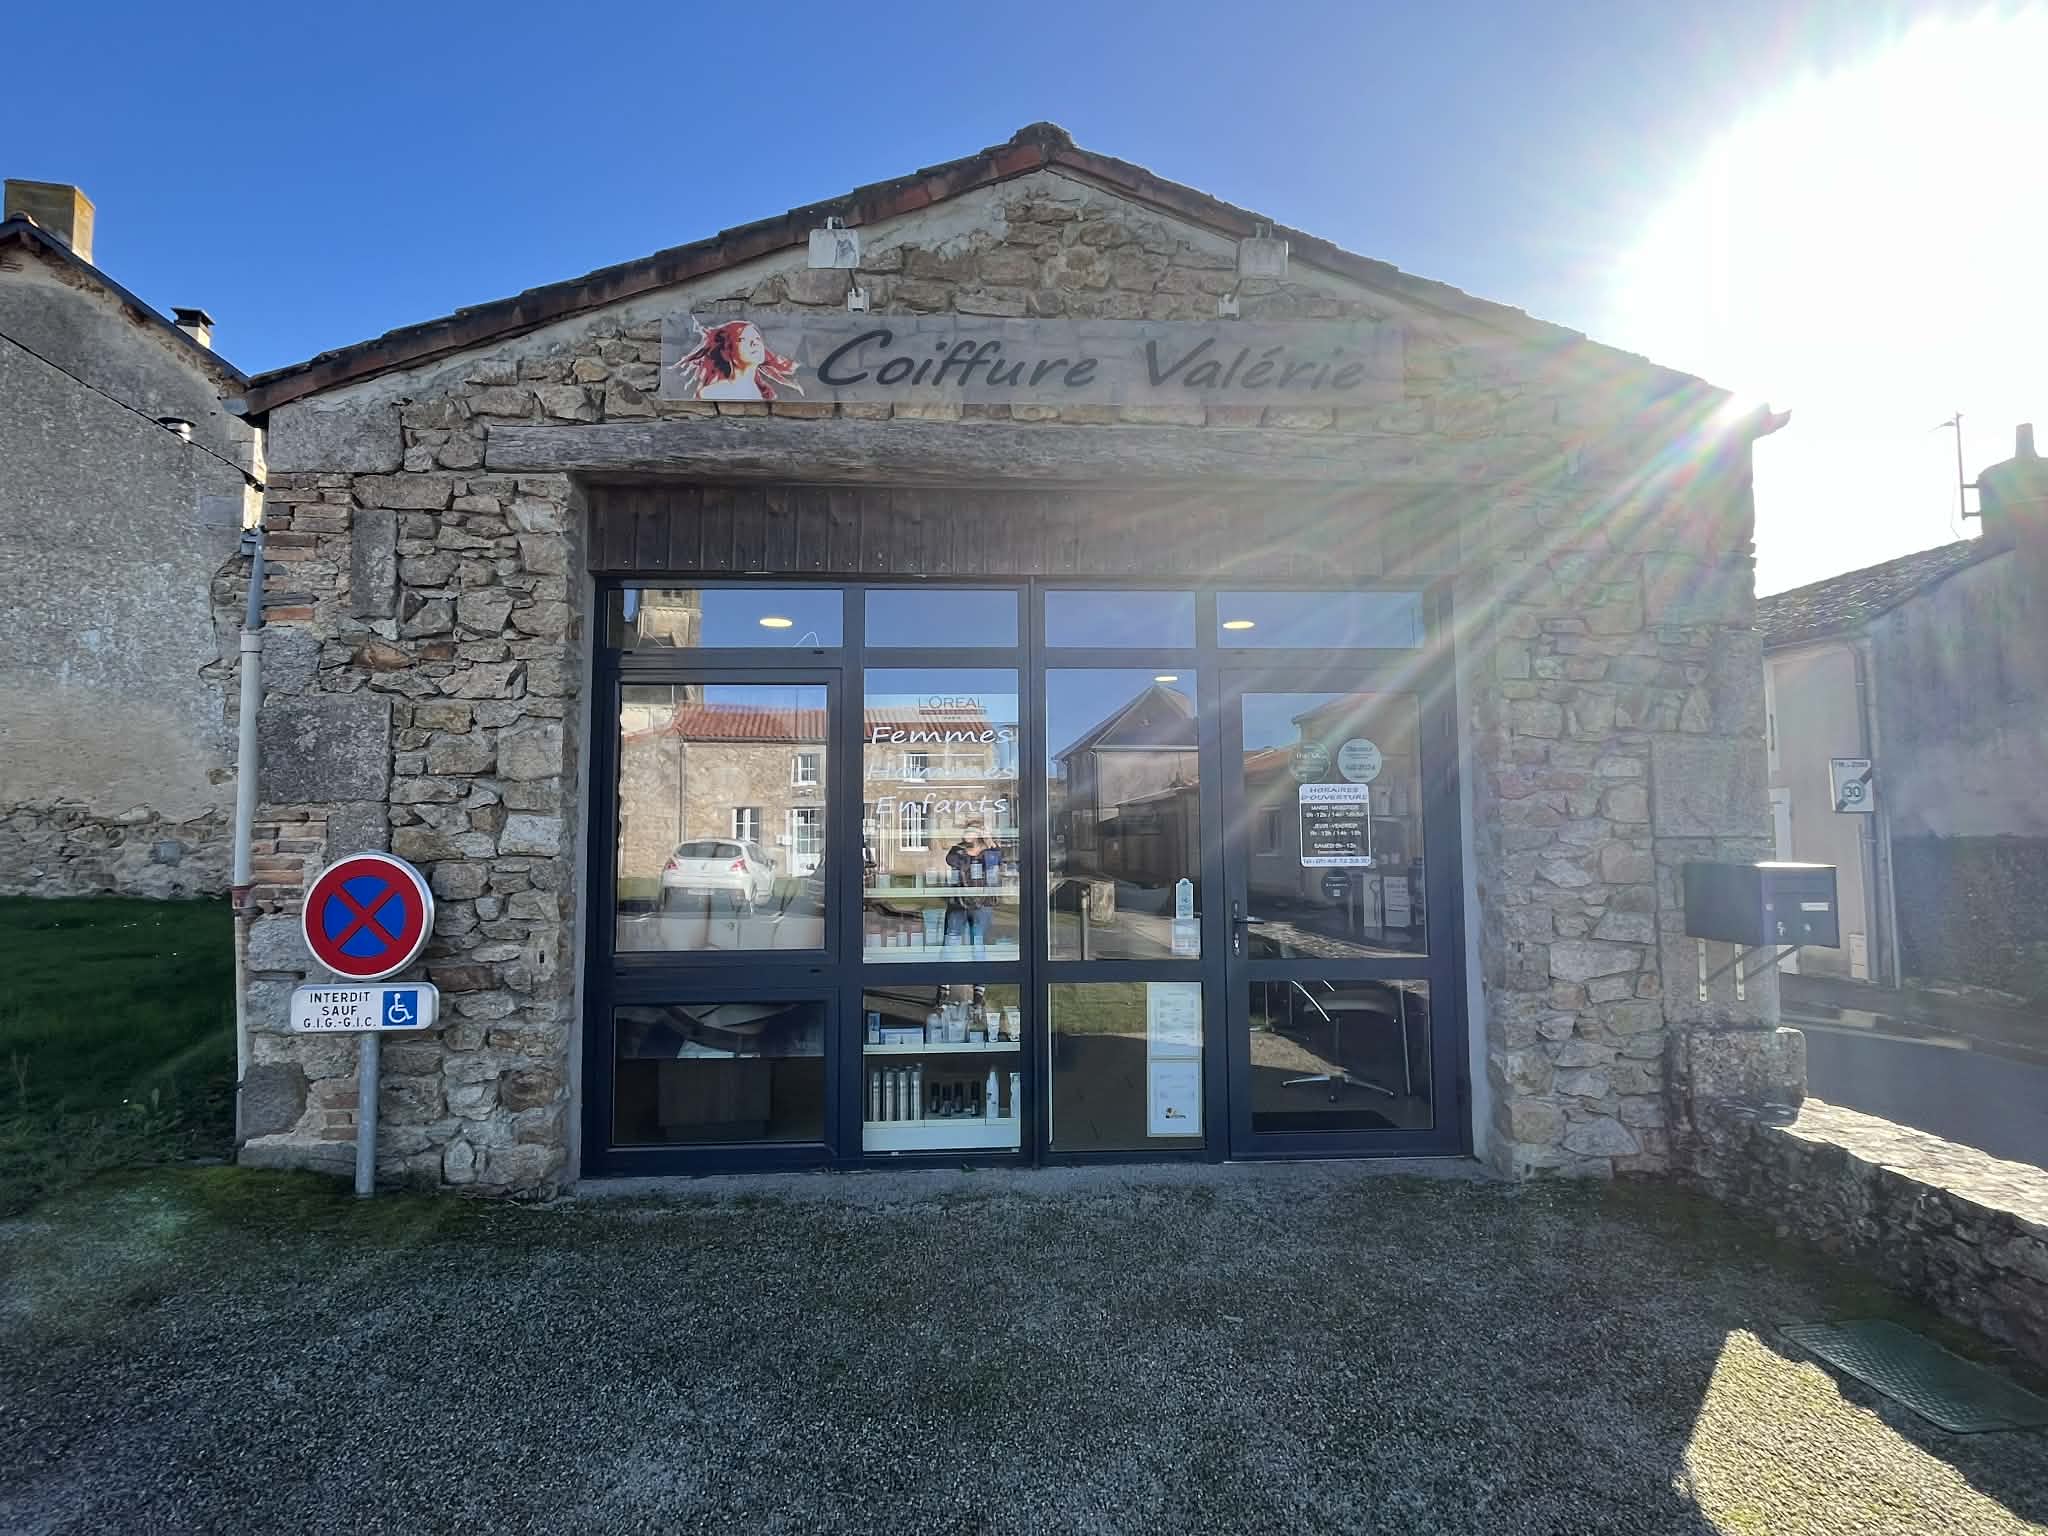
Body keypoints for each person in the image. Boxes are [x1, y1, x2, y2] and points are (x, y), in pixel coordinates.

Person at [943, 823, 1002, 955]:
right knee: (952, 937)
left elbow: (997, 860)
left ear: (979, 834)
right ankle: (948, 969)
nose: (966, 834)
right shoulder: (957, 850)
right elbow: (951, 860)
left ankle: (979, 971)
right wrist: (970, 851)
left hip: (983, 902)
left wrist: (990, 845)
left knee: (978, 939)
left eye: (971, 831)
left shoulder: (990, 851)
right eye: (966, 831)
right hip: (960, 901)